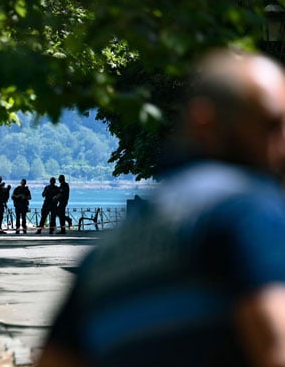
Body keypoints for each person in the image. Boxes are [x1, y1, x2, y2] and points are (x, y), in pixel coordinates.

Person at [37, 49, 285, 367]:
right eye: (270, 125)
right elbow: (275, 348)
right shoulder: (244, 211)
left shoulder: (106, 254)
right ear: (205, 122)